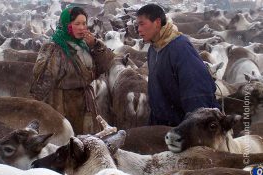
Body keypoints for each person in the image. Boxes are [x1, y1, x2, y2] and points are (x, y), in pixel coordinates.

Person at [30, 6, 115, 135]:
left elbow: (104, 66)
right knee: (68, 144)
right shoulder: (53, 48)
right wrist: (37, 113)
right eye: (77, 24)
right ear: (66, 25)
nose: (82, 27)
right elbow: (41, 83)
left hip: (85, 105)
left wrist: (95, 45)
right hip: (63, 106)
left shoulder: (85, 45)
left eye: (84, 23)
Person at [136, 4, 220, 126]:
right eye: (137, 25)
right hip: (163, 124)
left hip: (184, 127)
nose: (138, 29)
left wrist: (193, 131)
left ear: (157, 22)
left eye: (142, 24)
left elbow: (197, 93)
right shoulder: (154, 49)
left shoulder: (180, 48)